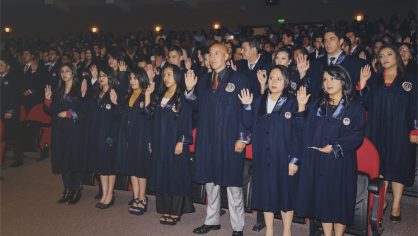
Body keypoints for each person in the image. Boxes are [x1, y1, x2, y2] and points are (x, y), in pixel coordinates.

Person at [184, 43, 250, 236]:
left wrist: (243, 138)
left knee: (232, 185)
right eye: (210, 54)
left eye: (217, 53)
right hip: (208, 139)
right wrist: (189, 91)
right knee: (210, 182)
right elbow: (196, 106)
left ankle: (238, 227)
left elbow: (247, 110)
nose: (212, 57)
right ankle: (212, 220)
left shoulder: (239, 79)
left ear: (227, 56)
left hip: (230, 140)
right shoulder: (204, 80)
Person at [296, 65, 366, 236]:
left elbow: (357, 136)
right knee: (324, 200)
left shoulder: (354, 107)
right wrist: (301, 107)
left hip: (341, 161)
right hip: (319, 161)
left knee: (340, 201)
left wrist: (335, 147)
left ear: (343, 81)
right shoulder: (316, 106)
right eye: (325, 79)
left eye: (333, 78)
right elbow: (301, 130)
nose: (328, 83)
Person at [239, 65, 301, 236]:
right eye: (271, 78)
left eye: (278, 79)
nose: (273, 82)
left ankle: (287, 231)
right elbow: (248, 124)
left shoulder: (293, 103)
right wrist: (246, 106)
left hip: (283, 156)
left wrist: (295, 159)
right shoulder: (259, 101)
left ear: (286, 82)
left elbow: (298, 134)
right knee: (266, 194)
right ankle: (270, 231)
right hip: (263, 156)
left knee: (285, 195)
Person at [359, 45, 417, 223]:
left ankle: (396, 205)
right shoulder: (375, 80)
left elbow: (416, 106)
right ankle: (382, 201)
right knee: (380, 166)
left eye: (389, 54)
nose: (385, 58)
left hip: (400, 128)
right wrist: (362, 84)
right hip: (377, 128)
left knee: (398, 165)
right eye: (381, 55)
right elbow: (365, 103)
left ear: (398, 57)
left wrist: (415, 129)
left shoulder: (410, 79)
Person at [147, 64, 195, 225]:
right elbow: (150, 116)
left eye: (169, 74)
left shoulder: (182, 96)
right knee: (163, 173)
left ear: (177, 76)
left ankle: (175, 211)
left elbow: (187, 120)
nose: (166, 78)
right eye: (164, 75)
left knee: (176, 175)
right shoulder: (160, 94)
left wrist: (181, 141)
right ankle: (166, 208)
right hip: (160, 141)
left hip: (175, 141)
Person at [44, 63, 85, 204]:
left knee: (74, 158)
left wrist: (69, 113)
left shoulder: (79, 89)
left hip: (74, 129)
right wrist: (48, 99)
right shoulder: (58, 90)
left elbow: (84, 110)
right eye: (62, 71)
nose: (64, 73)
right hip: (59, 129)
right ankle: (67, 189)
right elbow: (50, 111)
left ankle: (77, 189)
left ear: (73, 73)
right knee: (62, 158)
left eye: (67, 71)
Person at [83, 67, 120, 209]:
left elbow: (119, 116)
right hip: (97, 134)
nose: (101, 78)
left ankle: (110, 194)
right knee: (101, 166)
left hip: (110, 135)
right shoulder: (96, 93)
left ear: (110, 77)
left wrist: (115, 104)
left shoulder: (114, 92)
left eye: (104, 75)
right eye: (100, 76)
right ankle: (104, 193)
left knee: (109, 166)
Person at [116, 69, 152, 215]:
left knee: (140, 168)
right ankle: (136, 197)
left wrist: (148, 96)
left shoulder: (146, 94)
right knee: (132, 167)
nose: (132, 81)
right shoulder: (128, 95)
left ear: (142, 79)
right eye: (130, 78)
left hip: (142, 136)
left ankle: (143, 198)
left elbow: (148, 114)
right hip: (129, 136)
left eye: (135, 78)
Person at [0, 58, 25, 167]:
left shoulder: (13, 79)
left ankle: (19, 158)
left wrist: (11, 112)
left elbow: (15, 98)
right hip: (0, 111)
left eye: (1, 64)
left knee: (13, 135)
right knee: (3, 135)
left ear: (8, 67)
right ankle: (2, 156)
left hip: (9, 112)